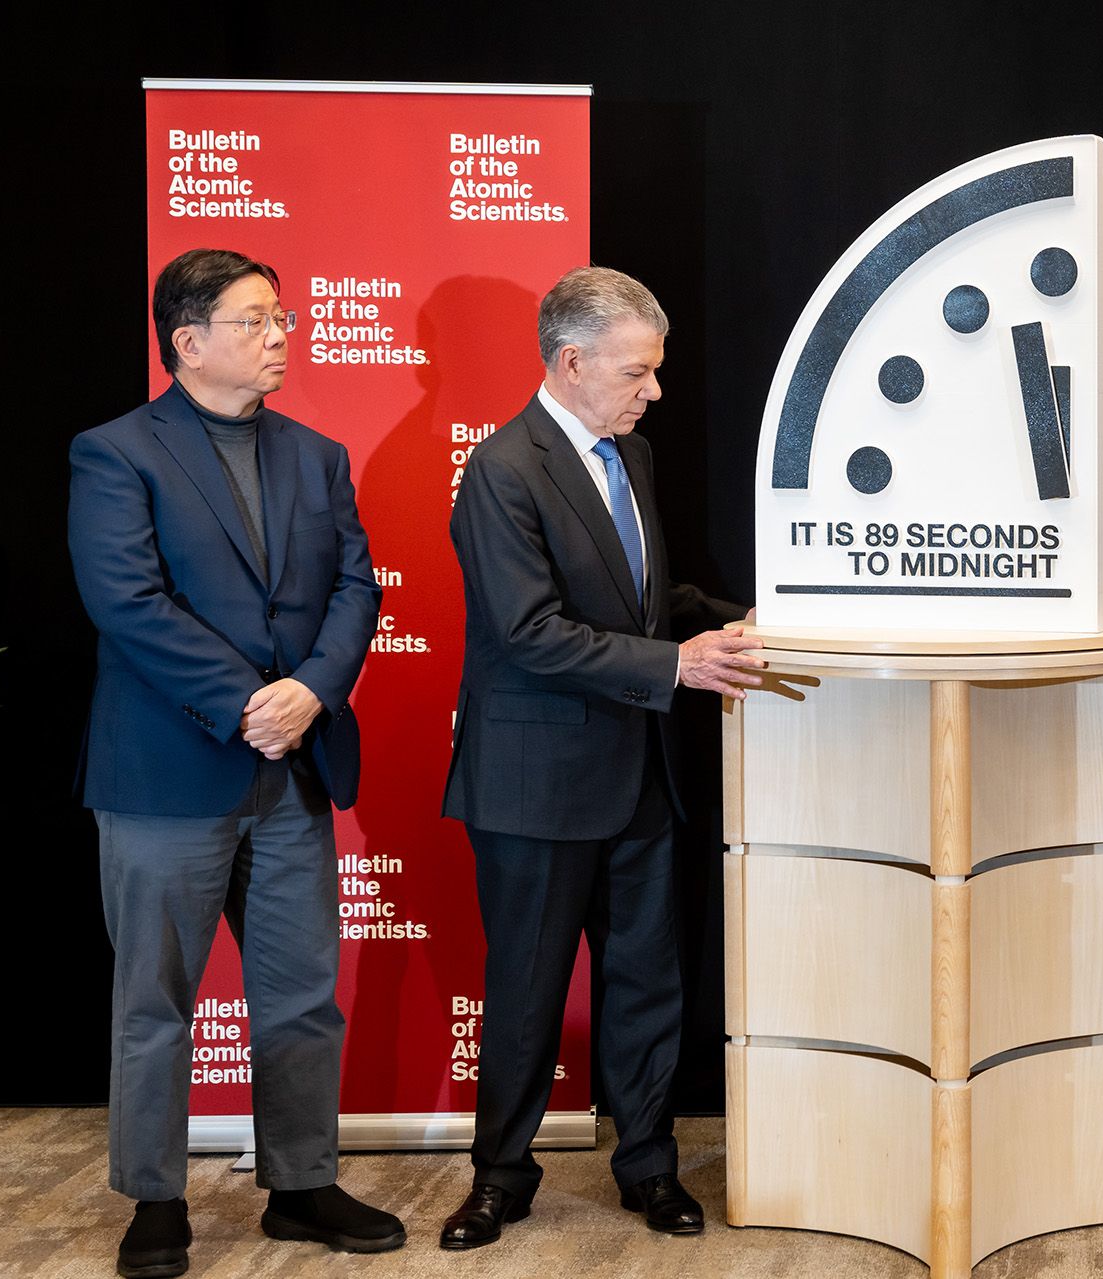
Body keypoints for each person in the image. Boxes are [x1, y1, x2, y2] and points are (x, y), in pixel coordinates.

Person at [68, 248, 404, 1279]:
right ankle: (155, 1200)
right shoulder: (116, 452)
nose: (281, 334)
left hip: (291, 771)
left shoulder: (316, 453)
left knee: (302, 992)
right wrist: (245, 701)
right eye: (258, 320)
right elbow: (126, 600)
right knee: (156, 1000)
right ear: (189, 341)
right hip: (166, 778)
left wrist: (312, 690)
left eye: (283, 316)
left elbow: (357, 588)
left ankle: (301, 1186)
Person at [438, 267, 761, 1250]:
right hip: (536, 789)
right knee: (529, 991)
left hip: (640, 779)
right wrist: (678, 662)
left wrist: (728, 621)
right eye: (636, 371)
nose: (652, 390)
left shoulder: (636, 456)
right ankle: (500, 1176)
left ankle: (649, 1168)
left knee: (648, 987)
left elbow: (643, 600)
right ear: (571, 363)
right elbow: (532, 632)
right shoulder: (502, 470)